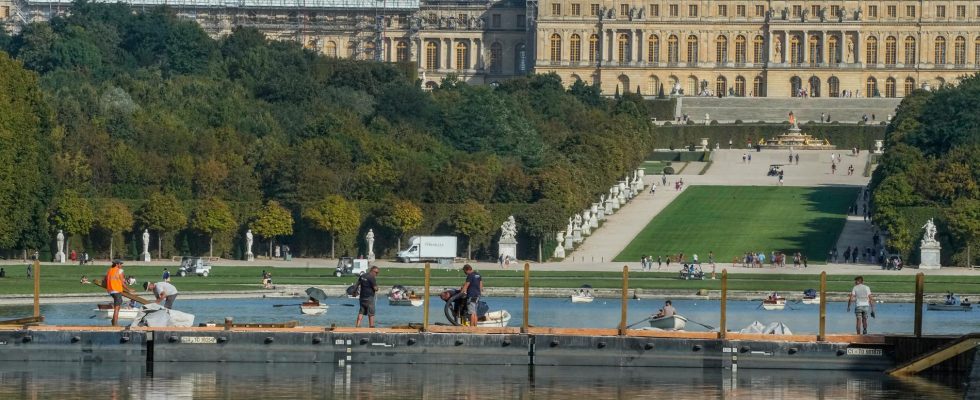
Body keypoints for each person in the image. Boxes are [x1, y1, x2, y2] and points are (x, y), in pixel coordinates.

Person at [104, 260, 132, 326]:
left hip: (110, 291)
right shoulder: (120, 271)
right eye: (120, 264)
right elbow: (122, 282)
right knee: (117, 308)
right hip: (117, 290)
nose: (121, 265)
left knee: (118, 304)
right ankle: (115, 323)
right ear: (117, 264)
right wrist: (129, 289)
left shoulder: (109, 270)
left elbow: (105, 280)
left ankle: (113, 320)